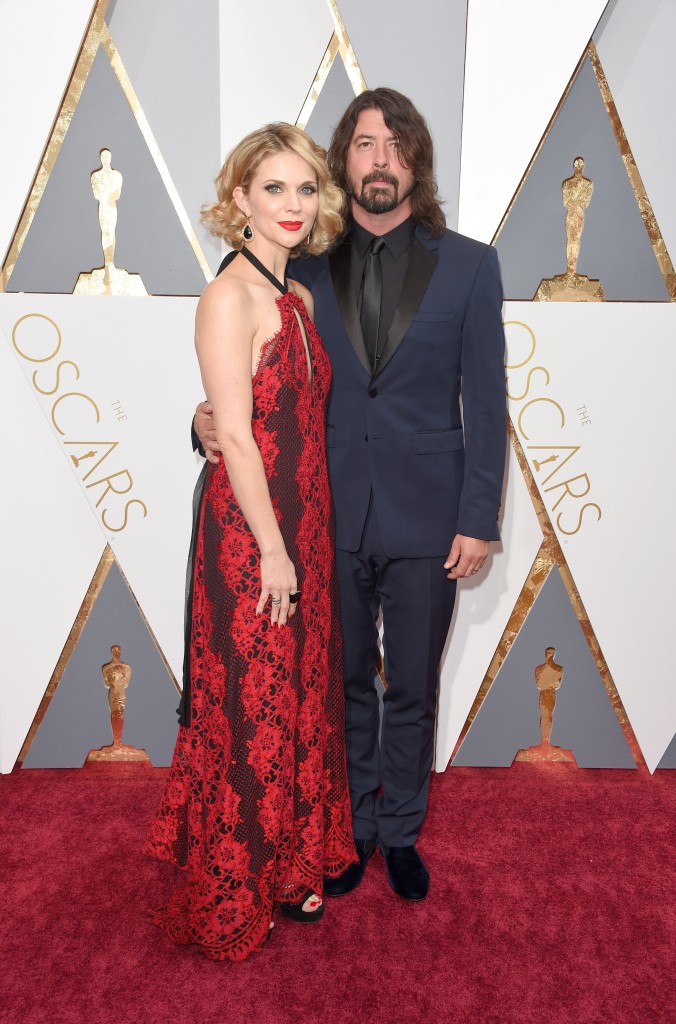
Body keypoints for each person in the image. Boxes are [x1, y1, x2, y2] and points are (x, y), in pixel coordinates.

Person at [194, 89, 506, 904]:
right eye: (364, 144)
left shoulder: (471, 264)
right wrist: (203, 426)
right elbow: (256, 390)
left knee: (410, 685)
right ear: (344, 160)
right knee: (334, 690)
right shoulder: (296, 265)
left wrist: (480, 517)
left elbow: (488, 398)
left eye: (396, 145)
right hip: (319, 516)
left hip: (429, 518)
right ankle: (348, 832)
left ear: (417, 161)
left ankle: (398, 831)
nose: (379, 159)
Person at [145, 123, 356, 962]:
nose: (294, 205)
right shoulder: (226, 297)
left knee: (297, 701)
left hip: (304, 527)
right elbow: (233, 434)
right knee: (248, 706)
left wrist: (301, 542)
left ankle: (288, 865)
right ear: (239, 200)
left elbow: (292, 420)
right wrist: (272, 549)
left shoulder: (295, 300)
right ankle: (237, 880)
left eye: (306, 188)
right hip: (250, 538)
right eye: (274, 188)